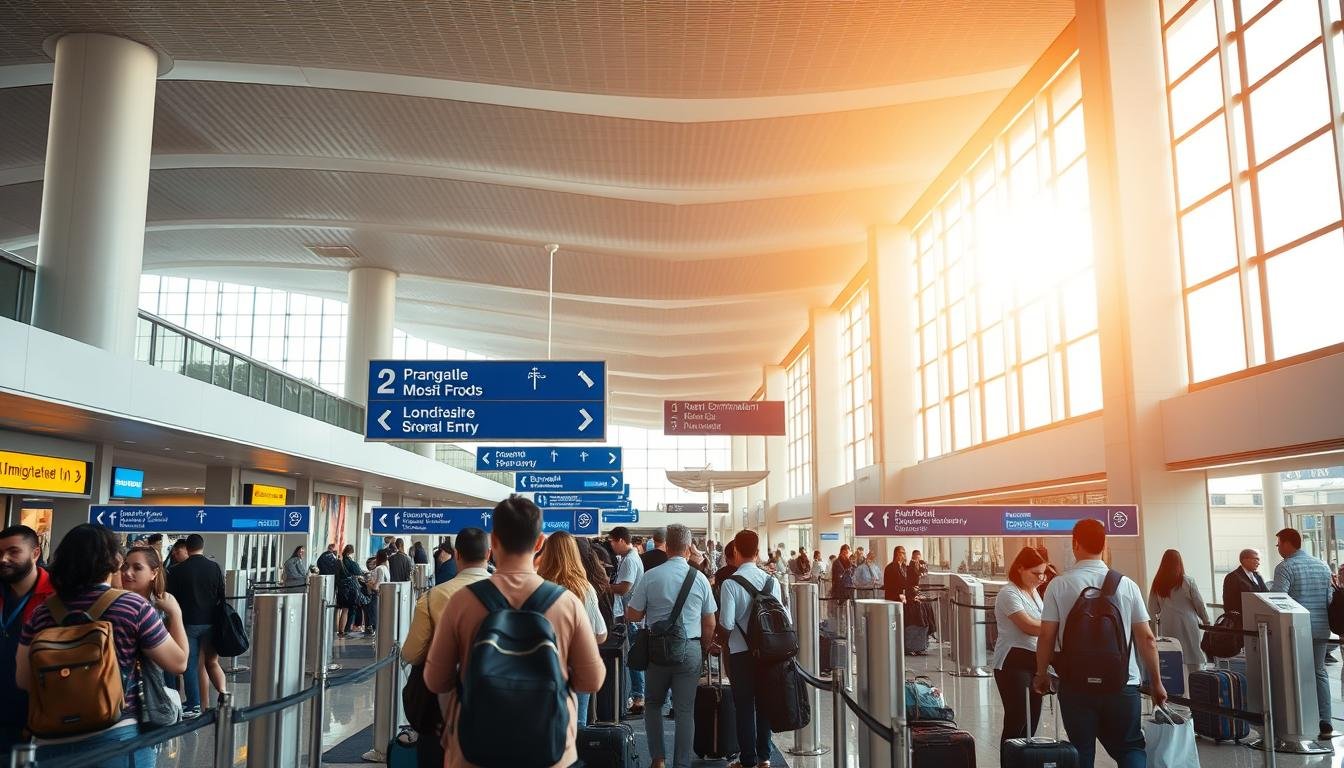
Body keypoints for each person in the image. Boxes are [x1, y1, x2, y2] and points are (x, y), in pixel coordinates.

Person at [423, 497, 604, 768]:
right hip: (550, 749)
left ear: (493, 541)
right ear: (540, 542)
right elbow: (591, 681)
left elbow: (436, 680)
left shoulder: (462, 601)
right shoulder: (566, 603)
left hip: (474, 749)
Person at [17, 524, 187, 766]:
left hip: (51, 739)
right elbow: (178, 663)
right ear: (114, 561)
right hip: (116, 736)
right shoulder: (132, 607)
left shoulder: (42, 612)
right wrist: (176, 614)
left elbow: (23, 679)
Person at [1034, 519, 1166, 768]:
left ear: (1075, 545)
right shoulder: (1127, 585)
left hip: (1075, 684)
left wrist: (1041, 674)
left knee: (1081, 751)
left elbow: (1046, 636)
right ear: (1104, 546)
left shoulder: (1058, 585)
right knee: (1130, 747)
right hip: (1123, 682)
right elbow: (1147, 638)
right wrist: (1157, 683)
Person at [627, 524, 716, 768]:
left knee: (654, 703)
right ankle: (682, 763)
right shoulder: (699, 579)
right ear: (688, 548)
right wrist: (703, 649)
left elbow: (633, 615)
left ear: (666, 546)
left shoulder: (651, 576)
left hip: (657, 649)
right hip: (690, 648)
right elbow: (709, 622)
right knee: (685, 710)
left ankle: (658, 759)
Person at [401, 528, 490, 768]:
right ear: (489, 554)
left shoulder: (433, 597)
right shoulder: (513, 595)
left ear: (457, 555)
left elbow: (411, 653)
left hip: (440, 708)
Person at [717, 530, 786, 768]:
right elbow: (782, 617)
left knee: (744, 706)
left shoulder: (730, 584)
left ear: (735, 550)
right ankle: (764, 758)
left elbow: (726, 624)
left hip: (740, 654)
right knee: (764, 704)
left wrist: (721, 640)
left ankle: (747, 760)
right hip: (768, 654)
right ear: (758, 552)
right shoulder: (772, 581)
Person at [1270, 527, 1335, 740]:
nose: (1278, 547)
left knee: (1293, 673)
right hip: (1321, 627)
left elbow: (1278, 600)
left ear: (1288, 543)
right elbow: (1329, 598)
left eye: (1279, 543)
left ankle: (1300, 720)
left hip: (1296, 630)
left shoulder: (1285, 567)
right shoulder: (1322, 565)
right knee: (1319, 672)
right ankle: (1325, 721)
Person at [540, 531, 609, 727]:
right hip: (577, 666)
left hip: (542, 666)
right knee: (577, 726)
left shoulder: (535, 586)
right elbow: (600, 634)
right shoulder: (584, 588)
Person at [0, 525, 56, 752]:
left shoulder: (58, 597)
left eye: (13, 552)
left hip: (35, 719)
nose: (3, 559)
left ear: (35, 554)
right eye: (0, 552)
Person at [165, 533, 226, 718]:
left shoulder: (176, 570)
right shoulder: (214, 567)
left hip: (188, 623)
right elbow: (221, 595)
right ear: (202, 546)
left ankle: (193, 705)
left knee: (189, 665)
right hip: (211, 622)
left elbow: (170, 598)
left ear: (187, 548)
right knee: (212, 662)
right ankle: (225, 695)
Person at [993, 547, 1048, 745]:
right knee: (1017, 719)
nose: (1041, 578)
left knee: (1032, 722)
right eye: (1036, 573)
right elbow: (1028, 626)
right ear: (1020, 569)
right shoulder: (1009, 593)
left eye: (1043, 573)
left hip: (1034, 660)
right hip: (1012, 662)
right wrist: (1054, 627)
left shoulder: (1034, 592)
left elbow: (1041, 624)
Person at [120, 546, 190, 692]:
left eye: (137, 568)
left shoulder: (163, 606)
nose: (127, 573)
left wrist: (175, 613)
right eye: (125, 566)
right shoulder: (116, 602)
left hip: (152, 693)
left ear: (154, 573)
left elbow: (179, 663)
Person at [1147, 549, 1210, 673]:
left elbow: (1153, 608)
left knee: (1172, 654)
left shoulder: (1157, 582)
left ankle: (1176, 687)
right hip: (1188, 622)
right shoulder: (1188, 581)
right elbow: (1199, 604)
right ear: (1179, 563)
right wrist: (1206, 620)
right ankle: (1193, 683)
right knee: (1191, 652)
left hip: (1167, 624)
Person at [610, 526, 647, 714]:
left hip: (630, 615)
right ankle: (638, 695)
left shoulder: (630, 560)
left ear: (621, 541)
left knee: (632, 658)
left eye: (612, 541)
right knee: (634, 657)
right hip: (632, 613)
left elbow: (624, 588)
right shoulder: (631, 558)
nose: (611, 545)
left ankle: (638, 696)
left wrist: (606, 587)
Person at [1222, 548, 1267, 621]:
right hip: (1241, 621)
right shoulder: (1232, 577)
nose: (1258, 563)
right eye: (1256, 559)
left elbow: (1266, 594)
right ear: (1244, 560)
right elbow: (1229, 604)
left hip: (1259, 618)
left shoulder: (1257, 576)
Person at [365, 550, 391, 636]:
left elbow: (376, 586)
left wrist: (368, 584)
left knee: (375, 618)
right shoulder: (386, 568)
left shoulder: (379, 569)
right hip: (384, 595)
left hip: (376, 596)